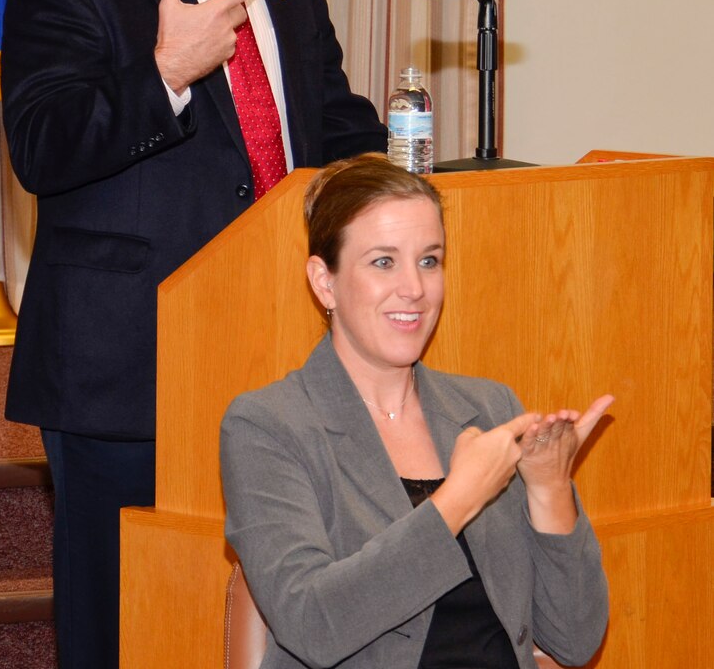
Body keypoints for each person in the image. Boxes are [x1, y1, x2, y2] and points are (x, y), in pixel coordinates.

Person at [0, 0, 386, 669]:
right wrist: (167, 71)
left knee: (277, 612)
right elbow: (42, 147)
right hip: (129, 366)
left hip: (283, 351)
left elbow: (325, 120)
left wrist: (393, 178)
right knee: (126, 626)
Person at [221, 154, 612, 669]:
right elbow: (312, 624)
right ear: (324, 282)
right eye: (384, 262)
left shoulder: (489, 407)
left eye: (429, 260)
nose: (415, 288)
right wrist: (458, 498)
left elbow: (575, 640)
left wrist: (549, 488)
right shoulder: (267, 426)